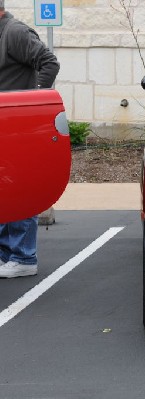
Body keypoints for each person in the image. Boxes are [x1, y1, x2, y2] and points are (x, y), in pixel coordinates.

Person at [0, 0, 60, 278]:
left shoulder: (15, 32)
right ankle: (6, 255)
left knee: (20, 188)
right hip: (5, 125)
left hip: (19, 126)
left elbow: (49, 62)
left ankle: (24, 256)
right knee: (4, 190)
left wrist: (33, 102)